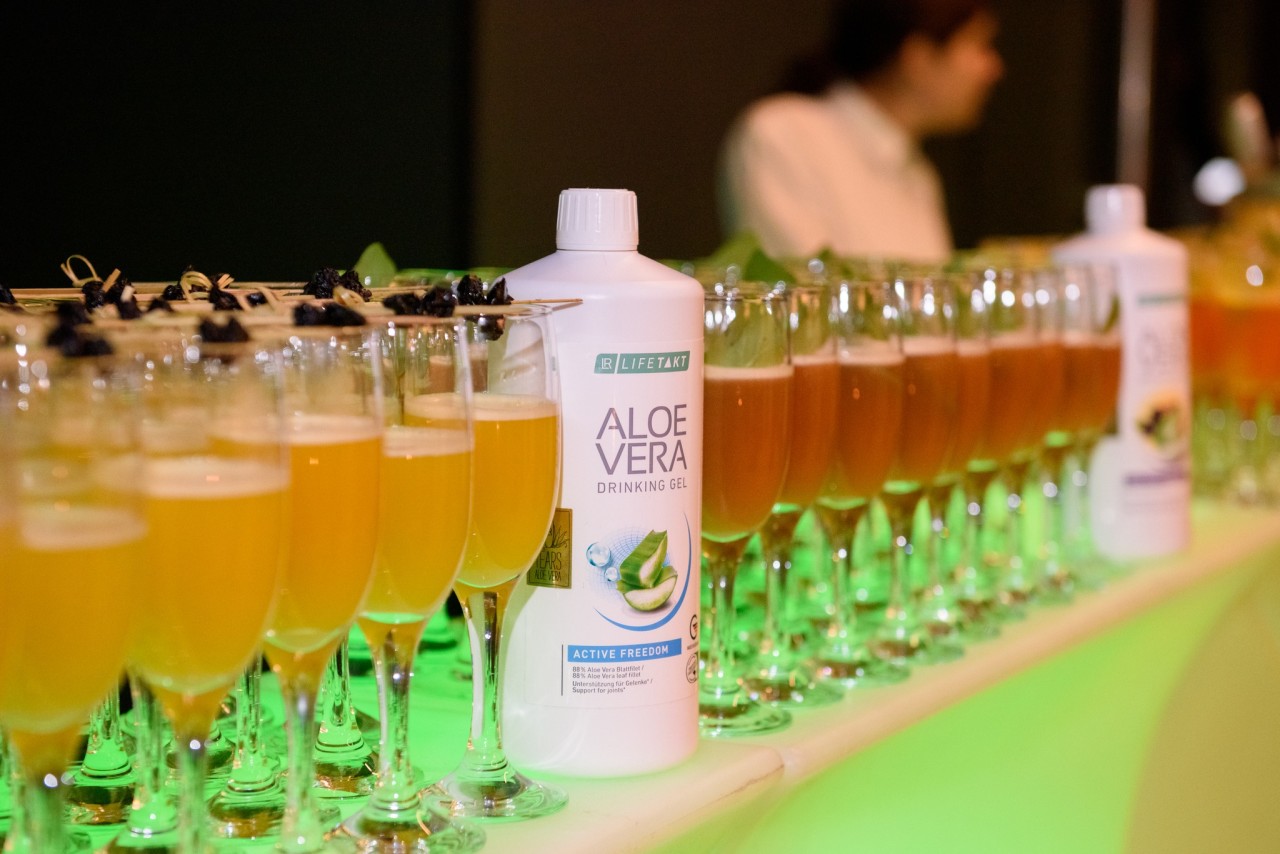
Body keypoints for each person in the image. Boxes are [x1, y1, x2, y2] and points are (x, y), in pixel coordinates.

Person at [718, 0, 1004, 263]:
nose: (993, 68)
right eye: (979, 46)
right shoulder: (785, 134)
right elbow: (806, 287)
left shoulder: (917, 173)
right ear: (917, 57)